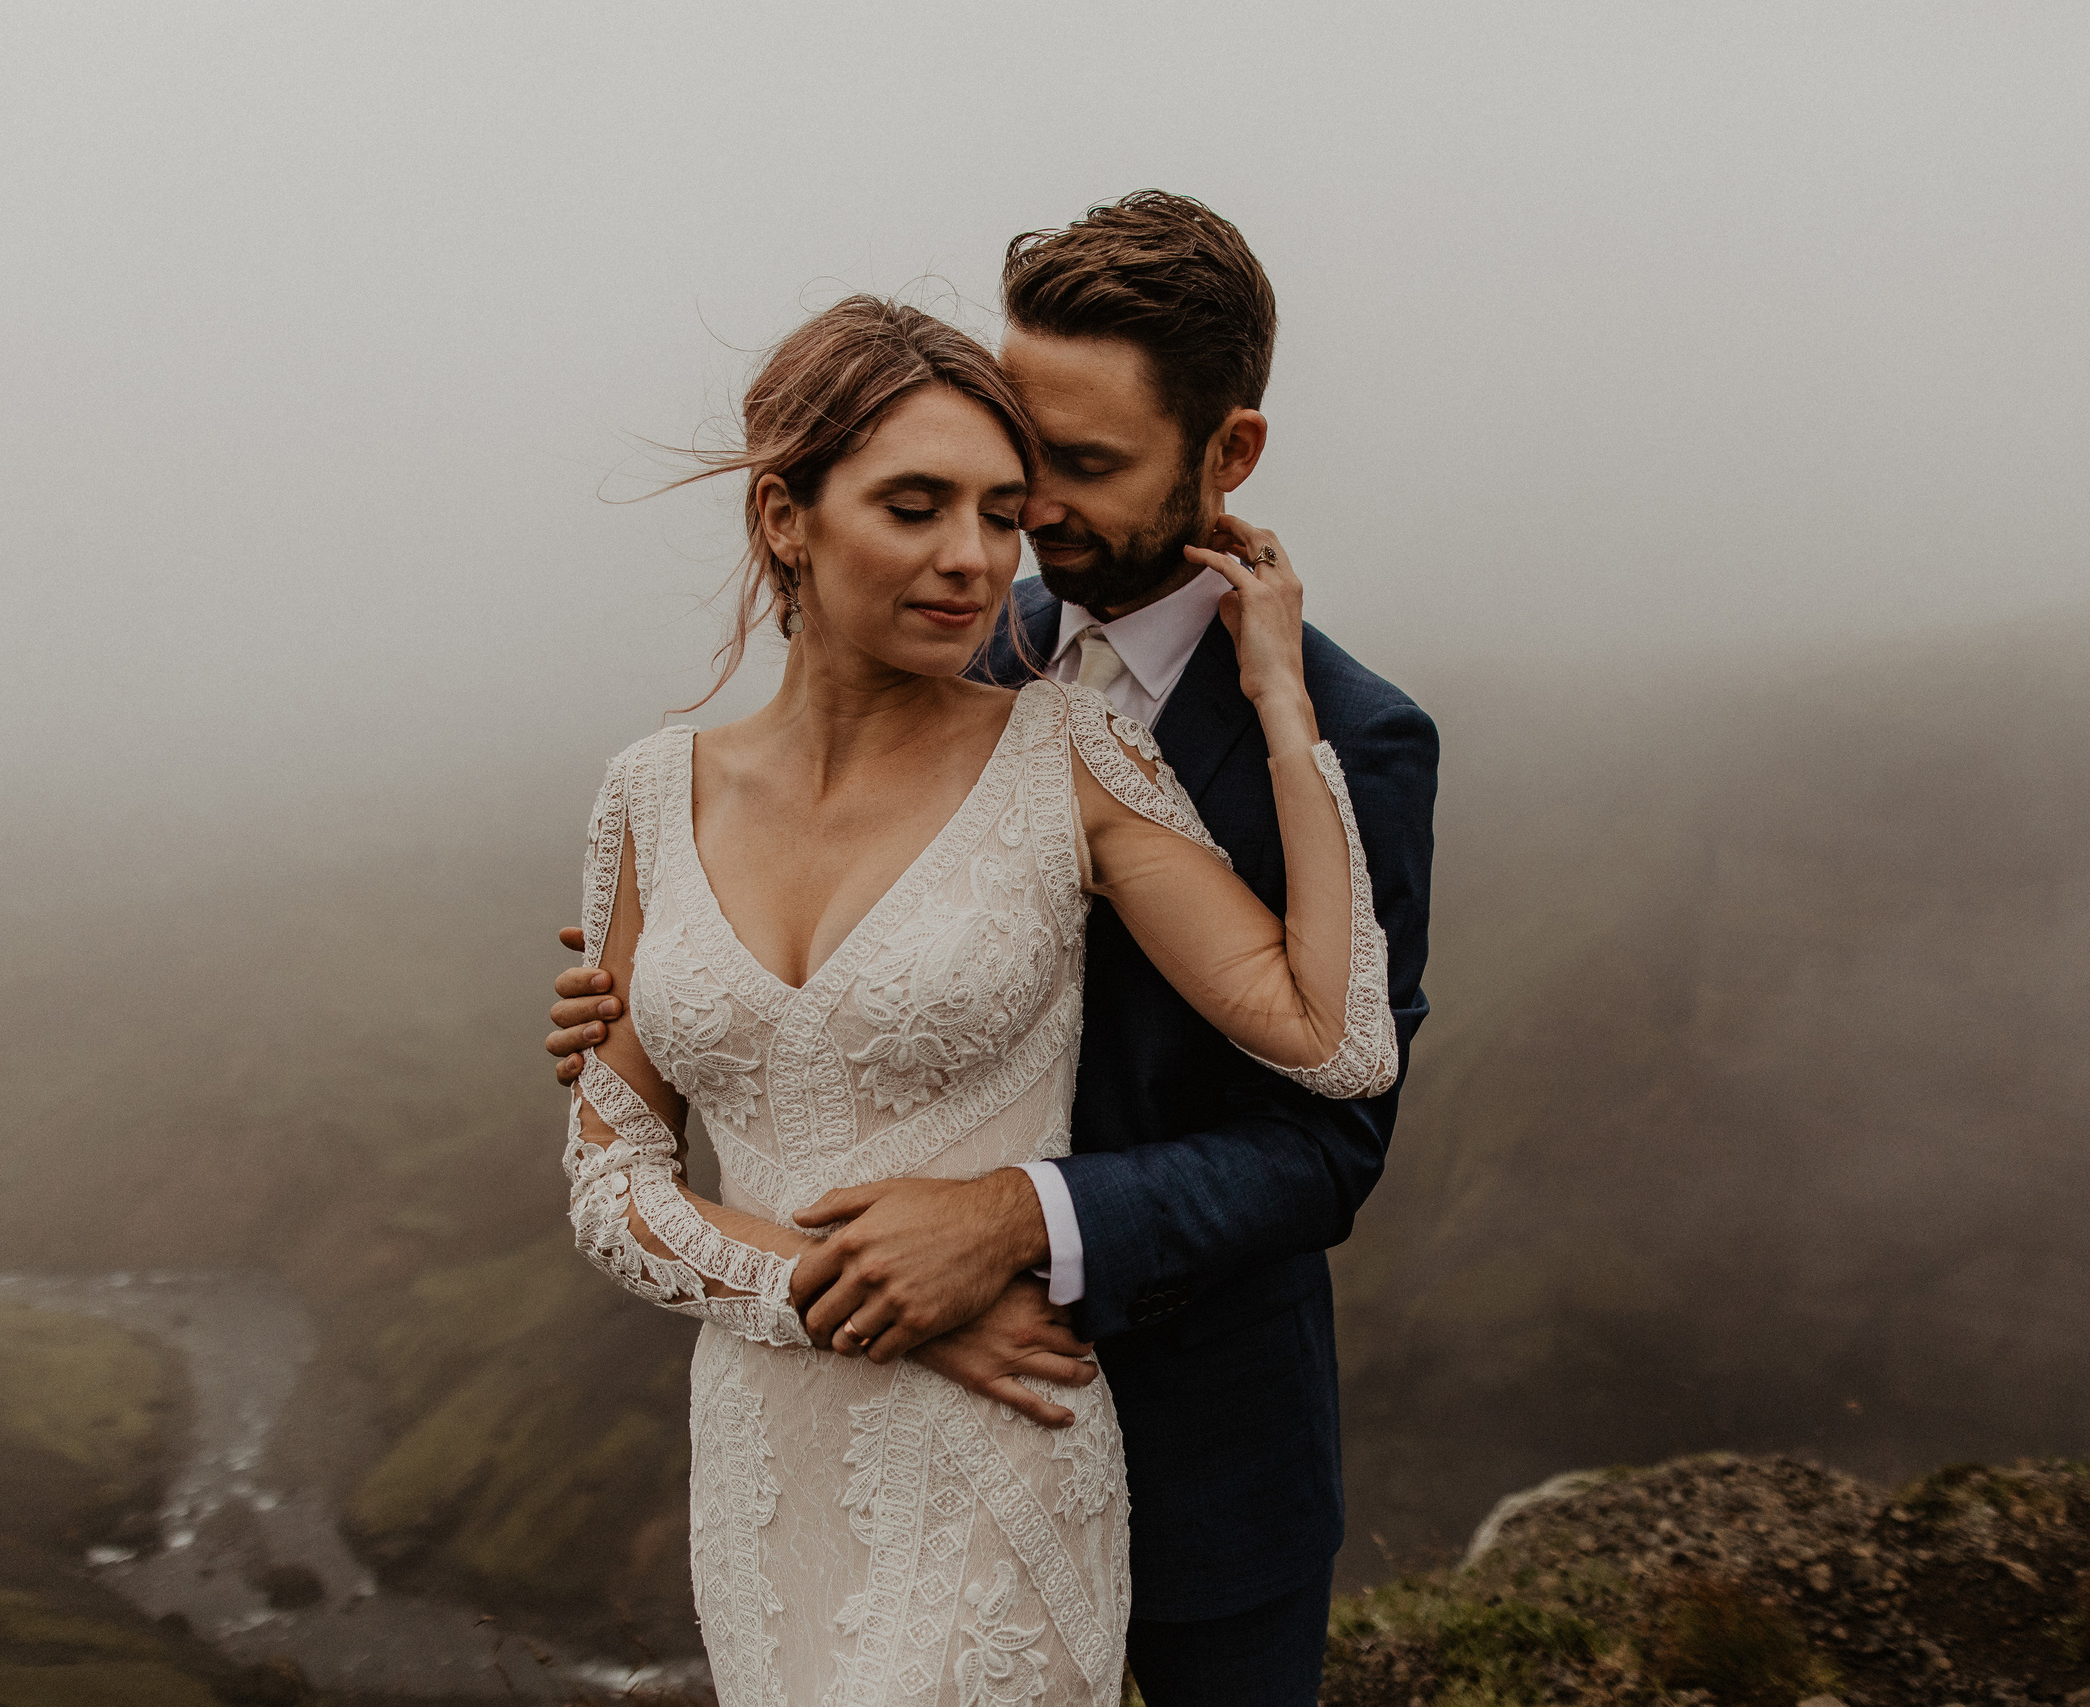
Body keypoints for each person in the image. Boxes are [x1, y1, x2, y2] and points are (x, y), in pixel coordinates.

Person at [550, 194, 1439, 1705]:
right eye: (1008, 472)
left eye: (1065, 478)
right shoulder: (950, 626)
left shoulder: (1356, 737)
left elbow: (1330, 1134)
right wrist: (676, 992)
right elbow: (693, 1074)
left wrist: (1012, 1223)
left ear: (1227, 457)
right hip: (806, 1439)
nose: (1005, 537)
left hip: (1194, 1423)